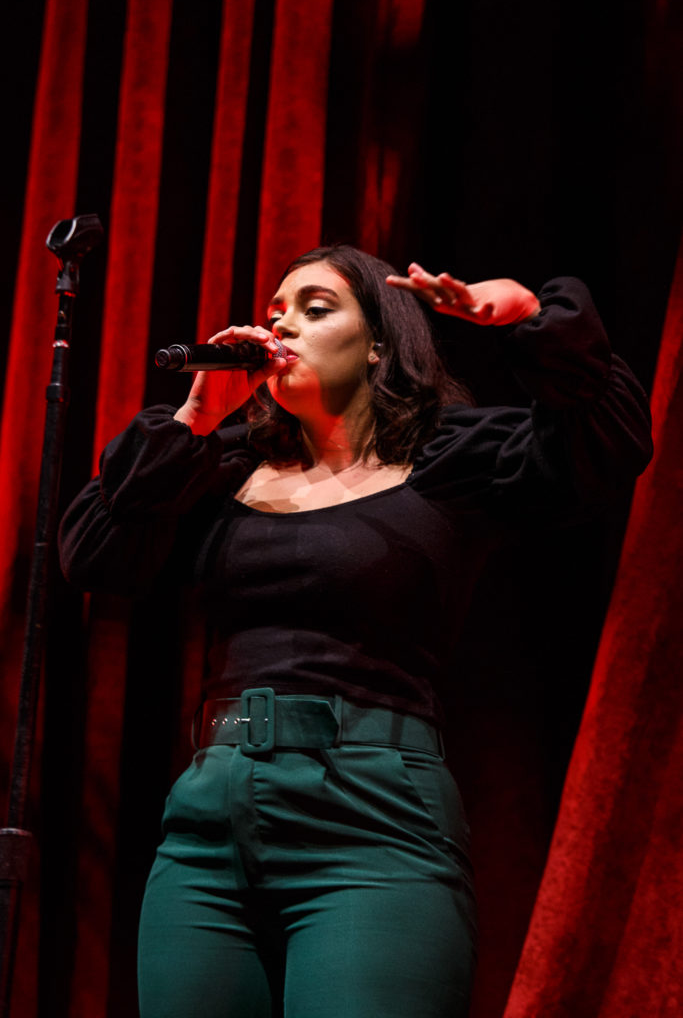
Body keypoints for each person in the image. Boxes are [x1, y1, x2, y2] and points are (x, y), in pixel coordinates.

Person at [58, 246, 653, 1018]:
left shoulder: (446, 460)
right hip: (207, 823)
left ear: (376, 343)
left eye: (314, 309)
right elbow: (94, 557)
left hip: (371, 818)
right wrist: (197, 419)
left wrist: (525, 312)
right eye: (275, 312)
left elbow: (606, 440)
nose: (280, 327)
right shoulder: (224, 466)